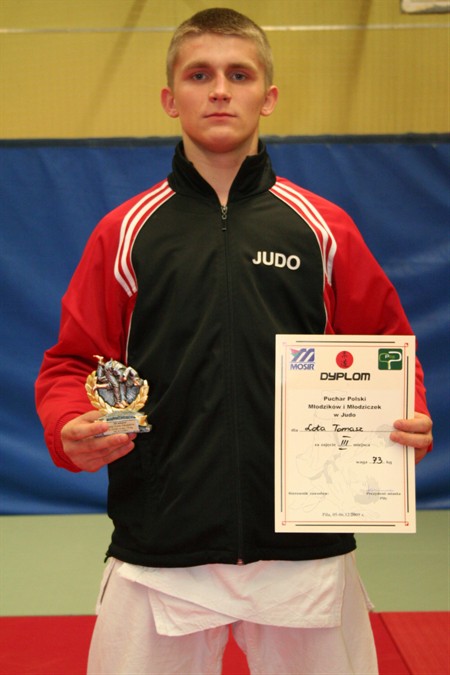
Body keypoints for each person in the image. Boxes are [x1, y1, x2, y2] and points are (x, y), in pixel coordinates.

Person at [35, 8, 433, 675]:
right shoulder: (125, 232)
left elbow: (388, 346)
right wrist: (68, 423)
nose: (220, 90)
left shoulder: (323, 228)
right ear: (170, 98)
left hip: (304, 544)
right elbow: (74, 362)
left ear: (267, 97)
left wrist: (406, 413)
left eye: (239, 74)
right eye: (199, 75)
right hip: (163, 541)